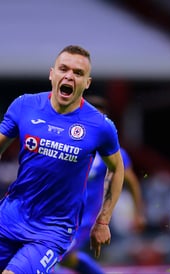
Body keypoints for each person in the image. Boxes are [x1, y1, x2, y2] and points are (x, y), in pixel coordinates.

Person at [0, 45, 125, 274]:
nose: (69, 76)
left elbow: (117, 169)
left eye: (78, 72)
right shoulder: (25, 106)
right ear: (52, 73)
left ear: (87, 83)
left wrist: (103, 220)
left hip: (53, 229)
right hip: (11, 216)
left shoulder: (100, 126)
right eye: (64, 69)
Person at [57, 95, 146, 274]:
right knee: (65, 259)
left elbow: (132, 183)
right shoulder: (71, 146)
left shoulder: (114, 154)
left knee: (52, 256)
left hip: (84, 221)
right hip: (60, 214)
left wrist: (138, 214)